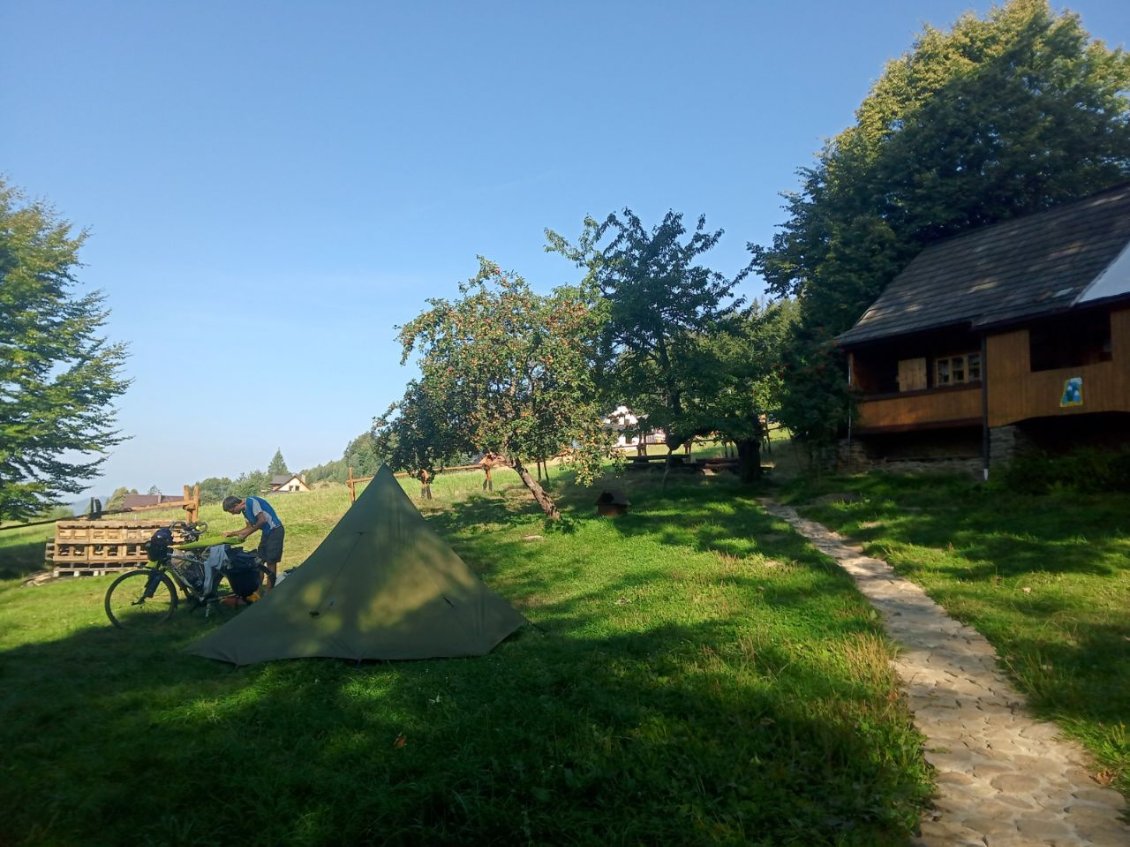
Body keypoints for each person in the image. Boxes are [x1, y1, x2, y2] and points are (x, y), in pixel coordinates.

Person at [222, 494, 284, 592]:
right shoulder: (244, 512)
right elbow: (249, 527)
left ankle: (269, 591)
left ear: (236, 505)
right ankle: (257, 589)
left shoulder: (251, 501)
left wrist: (246, 535)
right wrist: (232, 533)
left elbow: (262, 520)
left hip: (275, 530)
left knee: (271, 562)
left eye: (232, 511)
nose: (233, 514)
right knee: (259, 561)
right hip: (266, 533)